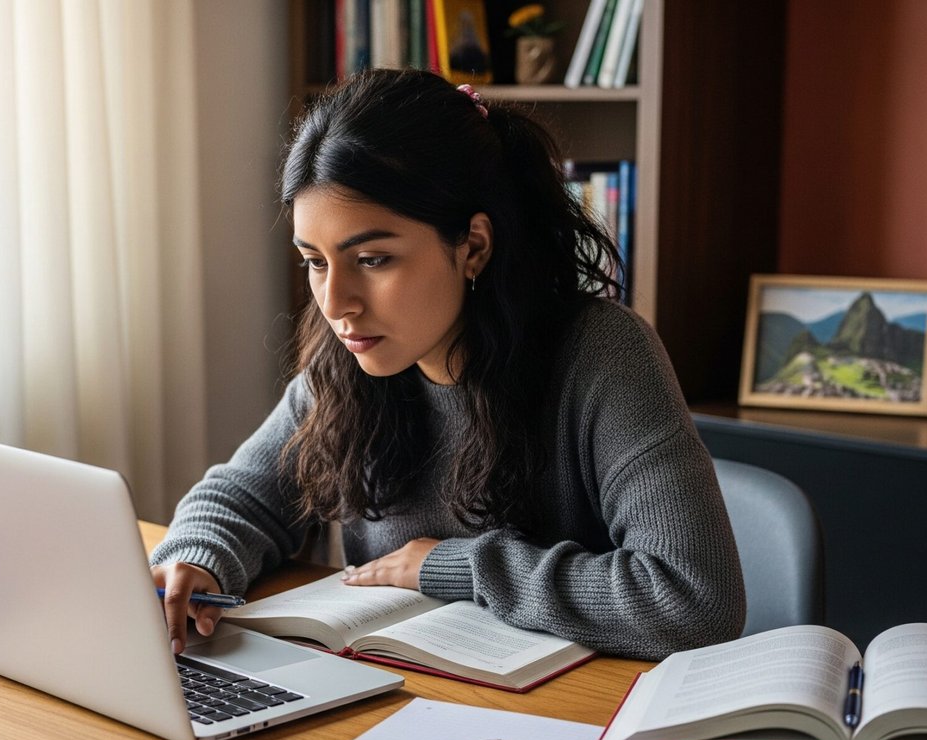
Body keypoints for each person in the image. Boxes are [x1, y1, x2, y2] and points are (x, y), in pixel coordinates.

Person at [151, 69, 743, 660]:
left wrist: (452, 566)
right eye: (316, 261)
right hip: (398, 698)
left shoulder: (602, 354)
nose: (336, 304)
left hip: (567, 718)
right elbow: (245, 496)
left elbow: (693, 601)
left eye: (374, 259)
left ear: (473, 247)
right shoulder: (350, 357)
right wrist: (198, 557)